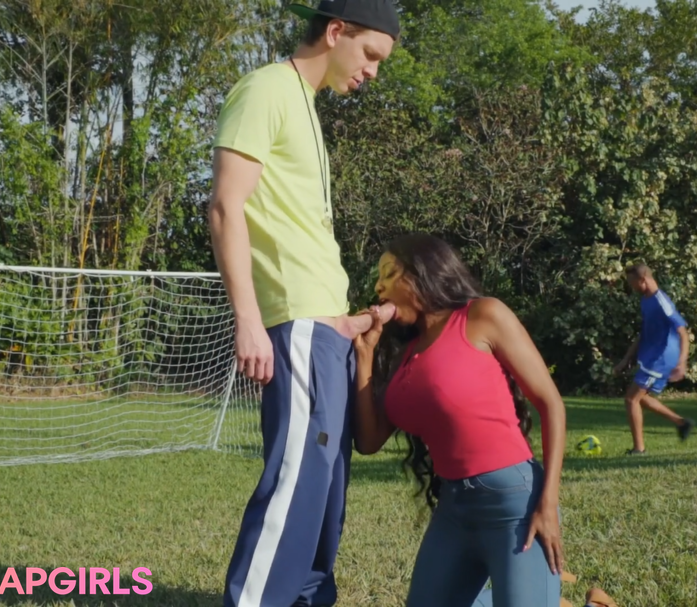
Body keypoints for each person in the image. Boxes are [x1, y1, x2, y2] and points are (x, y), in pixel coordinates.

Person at [207, 1, 400, 605]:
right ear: (336, 32)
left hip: (327, 332)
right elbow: (226, 207)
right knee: (296, 484)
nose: (373, 71)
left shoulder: (306, 106)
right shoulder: (266, 89)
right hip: (294, 329)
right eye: (370, 54)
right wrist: (248, 320)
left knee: (325, 490)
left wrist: (351, 321)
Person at [352, 233, 567, 607]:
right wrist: (365, 355)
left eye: (388, 273)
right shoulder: (406, 356)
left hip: (515, 505)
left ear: (421, 273)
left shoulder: (483, 315)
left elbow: (551, 404)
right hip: (454, 509)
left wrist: (547, 504)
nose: (378, 287)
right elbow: (368, 442)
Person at [612, 263, 694, 455]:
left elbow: (682, 332)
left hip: (661, 358)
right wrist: (627, 358)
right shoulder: (646, 300)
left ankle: (639, 450)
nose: (631, 287)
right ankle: (681, 423)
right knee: (640, 398)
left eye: (632, 283)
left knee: (631, 399)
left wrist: (682, 362)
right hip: (652, 356)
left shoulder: (662, 302)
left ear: (643, 280)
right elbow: (644, 333)